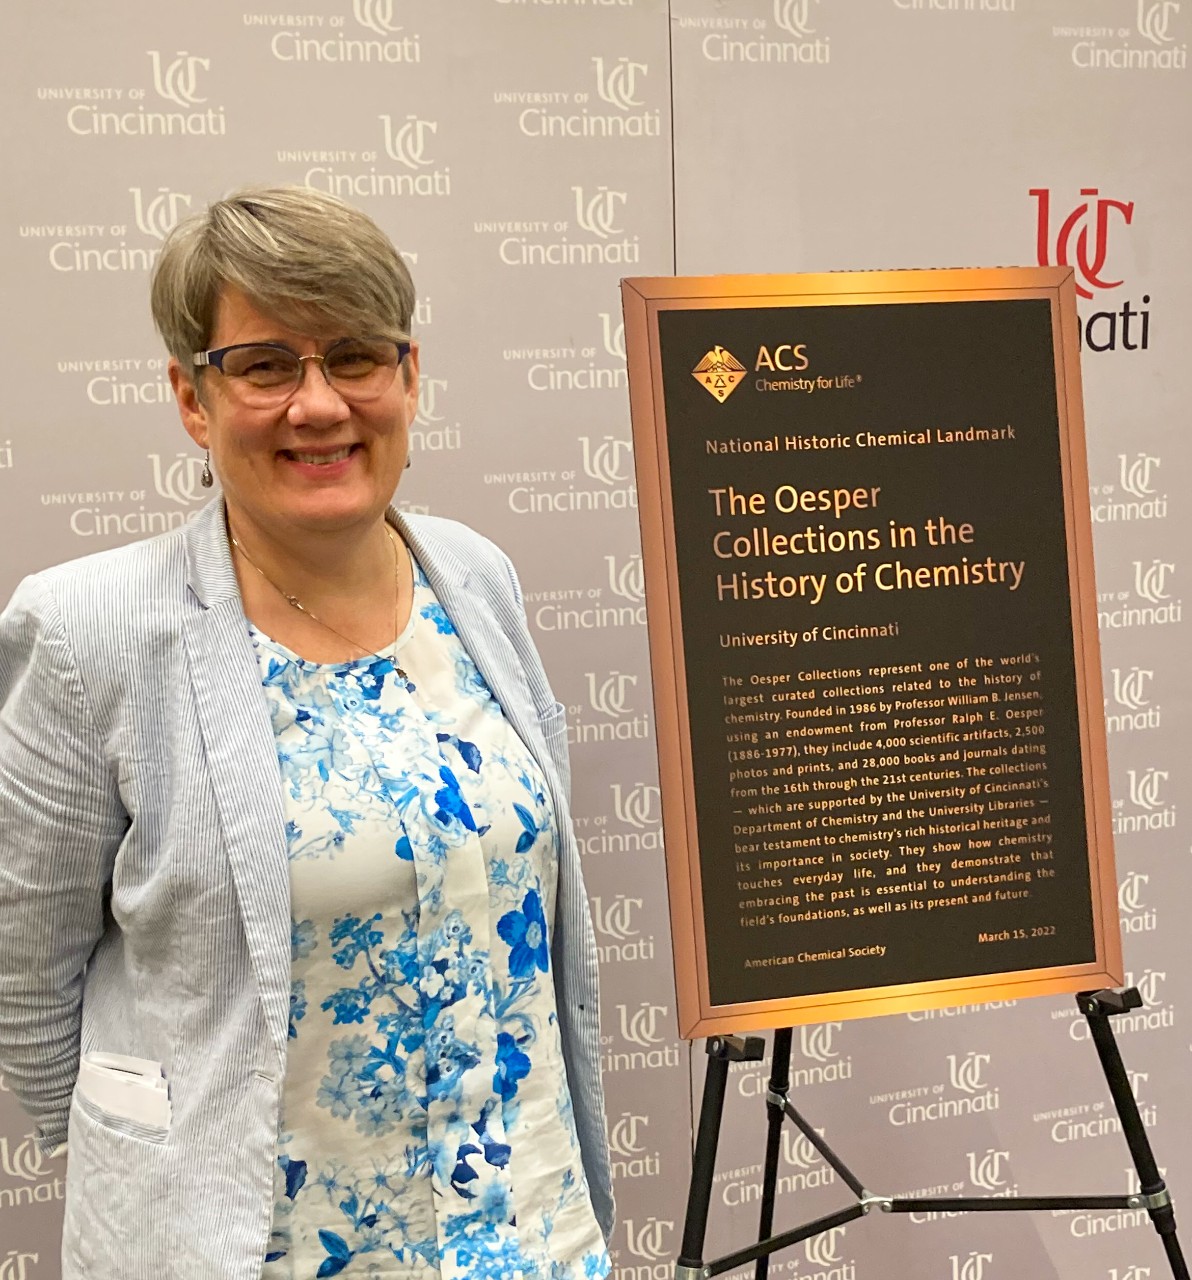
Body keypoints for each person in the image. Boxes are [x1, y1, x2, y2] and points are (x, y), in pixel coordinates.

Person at [0, 186, 613, 1279]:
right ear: (194, 398)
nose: (318, 404)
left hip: (527, 1235)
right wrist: (157, 1168)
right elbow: (23, 976)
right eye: (266, 364)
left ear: (410, 377)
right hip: (258, 1250)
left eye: (355, 357)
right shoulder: (88, 632)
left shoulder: (475, 577)